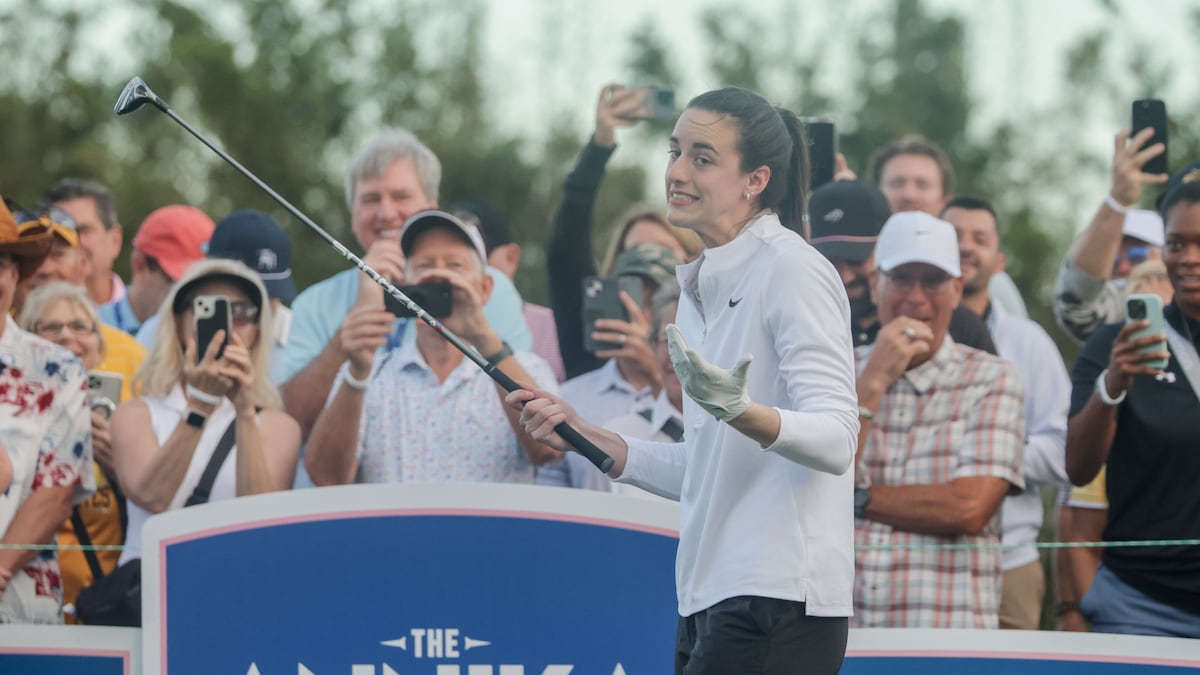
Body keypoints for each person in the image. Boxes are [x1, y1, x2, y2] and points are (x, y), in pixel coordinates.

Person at [510, 87, 857, 674]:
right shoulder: (699, 286)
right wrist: (589, 436)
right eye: (675, 151)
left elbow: (838, 439)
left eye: (702, 157)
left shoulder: (793, 268)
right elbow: (707, 465)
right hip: (709, 598)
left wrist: (742, 412)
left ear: (755, 180)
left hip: (777, 599)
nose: (675, 171)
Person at [278, 128, 532, 441]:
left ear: (431, 203)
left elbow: (533, 420)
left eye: (401, 196)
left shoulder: (489, 292)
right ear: (352, 212)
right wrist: (343, 343)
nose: (386, 213)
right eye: (371, 199)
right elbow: (287, 425)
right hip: (340, 489)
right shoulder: (315, 303)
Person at [852, 211, 1025, 629]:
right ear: (876, 284)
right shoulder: (835, 370)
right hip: (841, 635)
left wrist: (853, 500)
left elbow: (967, 507)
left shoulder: (992, 377)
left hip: (944, 638)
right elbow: (803, 490)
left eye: (932, 280)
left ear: (957, 290)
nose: (916, 297)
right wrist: (872, 382)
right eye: (901, 279)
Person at [304, 211, 559, 486]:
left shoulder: (526, 369)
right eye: (425, 265)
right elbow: (326, 478)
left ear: (485, 289)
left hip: (491, 530)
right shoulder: (369, 374)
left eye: (454, 265)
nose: (438, 276)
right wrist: (356, 372)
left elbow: (549, 450)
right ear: (403, 285)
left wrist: (483, 337)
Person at [1063, 162, 1200, 638]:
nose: (1188, 259)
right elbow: (1078, 468)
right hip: (1143, 607)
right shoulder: (1113, 343)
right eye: (1178, 244)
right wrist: (1113, 384)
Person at [111, 259, 300, 565]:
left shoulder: (278, 425)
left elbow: (262, 518)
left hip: (237, 583)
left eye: (240, 312)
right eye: (207, 308)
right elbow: (153, 497)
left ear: (256, 329)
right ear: (177, 321)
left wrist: (245, 412)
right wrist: (200, 404)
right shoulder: (137, 413)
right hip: (152, 593)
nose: (226, 325)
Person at [943, 196, 1070, 630]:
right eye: (954, 236)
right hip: (912, 555)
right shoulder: (898, 332)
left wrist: (984, 463)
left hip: (1010, 562)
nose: (965, 247)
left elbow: (1063, 454)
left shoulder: (1029, 343)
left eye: (979, 238)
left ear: (999, 260)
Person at [548, 83, 703, 381]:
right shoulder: (594, 335)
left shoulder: (706, 331)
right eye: (632, 250)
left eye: (660, 248)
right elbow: (564, 252)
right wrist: (600, 143)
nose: (645, 259)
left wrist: (654, 372)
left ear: (688, 259)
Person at [1056, 257, 1173, 631]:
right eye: (1145, 321)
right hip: (1135, 610)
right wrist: (1088, 614)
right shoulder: (1105, 418)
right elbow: (1081, 535)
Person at [0, 197, 94, 624]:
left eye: (1, 263)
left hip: (17, 606)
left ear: (16, 275)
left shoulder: (56, 368)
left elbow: (55, 494)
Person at [17, 283, 125, 622]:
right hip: (27, 603)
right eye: (50, 327)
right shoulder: (12, 422)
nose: (67, 336)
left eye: (80, 326)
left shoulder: (132, 420)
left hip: (104, 612)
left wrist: (119, 464)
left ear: (99, 342)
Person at [536, 242, 679, 487]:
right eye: (627, 297)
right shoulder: (570, 397)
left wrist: (657, 373)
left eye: (653, 302)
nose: (636, 313)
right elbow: (552, 492)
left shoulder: (694, 400)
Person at [807, 179, 998, 353]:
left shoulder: (956, 323)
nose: (845, 277)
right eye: (829, 263)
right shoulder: (806, 319)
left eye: (856, 260)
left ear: (887, 246)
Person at [866, 134, 1028, 318]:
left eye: (922, 184)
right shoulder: (847, 270)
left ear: (945, 201)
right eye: (897, 183)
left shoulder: (991, 283)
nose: (909, 195)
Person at [11, 206, 146, 401]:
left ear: (82, 266)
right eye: (32, 258)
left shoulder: (133, 357)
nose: (45, 269)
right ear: (8, 271)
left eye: (58, 255)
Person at [1054, 129, 1170, 343]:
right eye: (1113, 262)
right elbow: (1075, 307)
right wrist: (1118, 200)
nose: (1124, 268)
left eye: (1136, 255)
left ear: (1166, 254)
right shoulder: (1116, 310)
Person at [450, 198, 565, 382]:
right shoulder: (414, 328)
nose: (455, 279)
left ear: (511, 257)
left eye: (480, 258)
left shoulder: (557, 331)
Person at [41, 179, 124, 316]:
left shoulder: (147, 315)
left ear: (115, 241)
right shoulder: (24, 317)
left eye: (84, 230)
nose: (73, 241)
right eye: (61, 233)